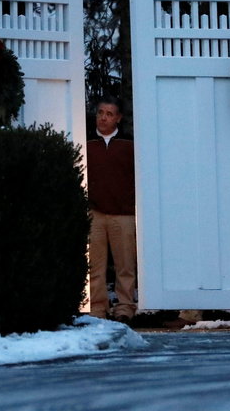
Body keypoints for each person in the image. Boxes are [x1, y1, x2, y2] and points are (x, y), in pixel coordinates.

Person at [86, 96, 137, 323]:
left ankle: (125, 307)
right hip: (95, 213)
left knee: (125, 264)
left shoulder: (130, 144)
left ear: (118, 118)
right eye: (100, 113)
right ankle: (97, 308)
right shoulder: (86, 141)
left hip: (123, 213)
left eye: (109, 114)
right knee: (95, 264)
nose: (103, 118)